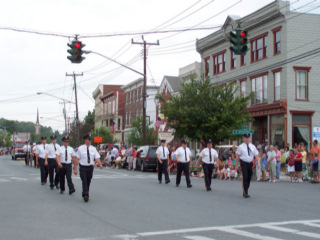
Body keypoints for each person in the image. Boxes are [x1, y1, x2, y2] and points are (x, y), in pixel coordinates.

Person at [74, 135, 103, 202]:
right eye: (89, 140)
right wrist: (75, 168)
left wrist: (100, 164)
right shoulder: (80, 148)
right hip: (83, 167)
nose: (90, 141)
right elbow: (77, 159)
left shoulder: (93, 148)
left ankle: (85, 193)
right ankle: (86, 195)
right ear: (86, 140)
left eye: (91, 140)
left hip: (90, 167)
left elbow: (97, 157)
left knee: (88, 181)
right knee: (84, 181)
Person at [236, 134, 259, 198]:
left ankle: (246, 188)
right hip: (243, 163)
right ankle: (245, 192)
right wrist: (236, 165)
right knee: (245, 176)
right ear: (243, 139)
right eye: (246, 138)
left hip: (250, 163)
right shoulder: (240, 147)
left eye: (248, 138)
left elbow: (256, 155)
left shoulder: (252, 146)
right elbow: (237, 156)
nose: (247, 139)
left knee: (249, 176)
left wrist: (258, 162)